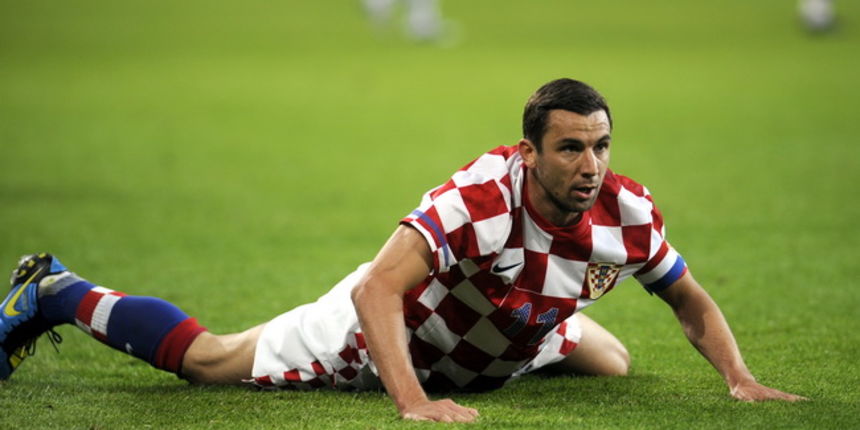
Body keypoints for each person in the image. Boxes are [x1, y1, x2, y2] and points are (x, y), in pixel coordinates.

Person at [0, 79, 805, 423]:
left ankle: (533, 336)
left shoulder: (627, 210)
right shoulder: (477, 199)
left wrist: (740, 379)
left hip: (516, 329)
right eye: (568, 149)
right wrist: (413, 402)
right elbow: (376, 291)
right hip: (392, 331)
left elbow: (687, 296)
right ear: (529, 153)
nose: (589, 165)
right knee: (212, 361)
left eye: (598, 146)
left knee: (616, 361)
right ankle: (55, 291)